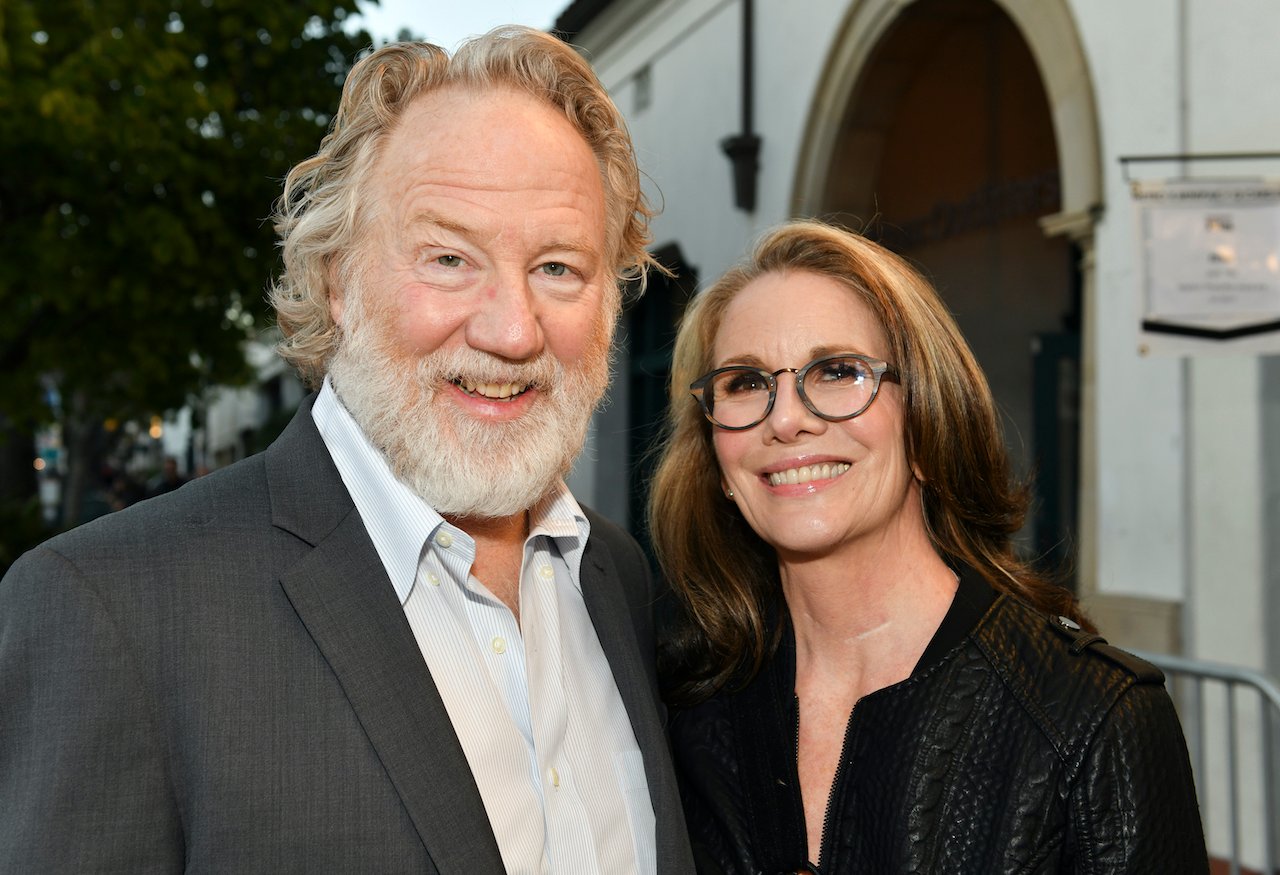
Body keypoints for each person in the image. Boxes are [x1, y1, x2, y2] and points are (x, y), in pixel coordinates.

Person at [0, 28, 694, 874]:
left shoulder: (618, 578)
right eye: (448, 257)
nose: (513, 329)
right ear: (336, 276)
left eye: (558, 267)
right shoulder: (114, 613)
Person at [649, 220, 1207, 874]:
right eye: (744, 382)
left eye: (836, 370)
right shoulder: (683, 703)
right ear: (717, 457)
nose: (785, 418)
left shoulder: (1091, 720)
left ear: (925, 419)